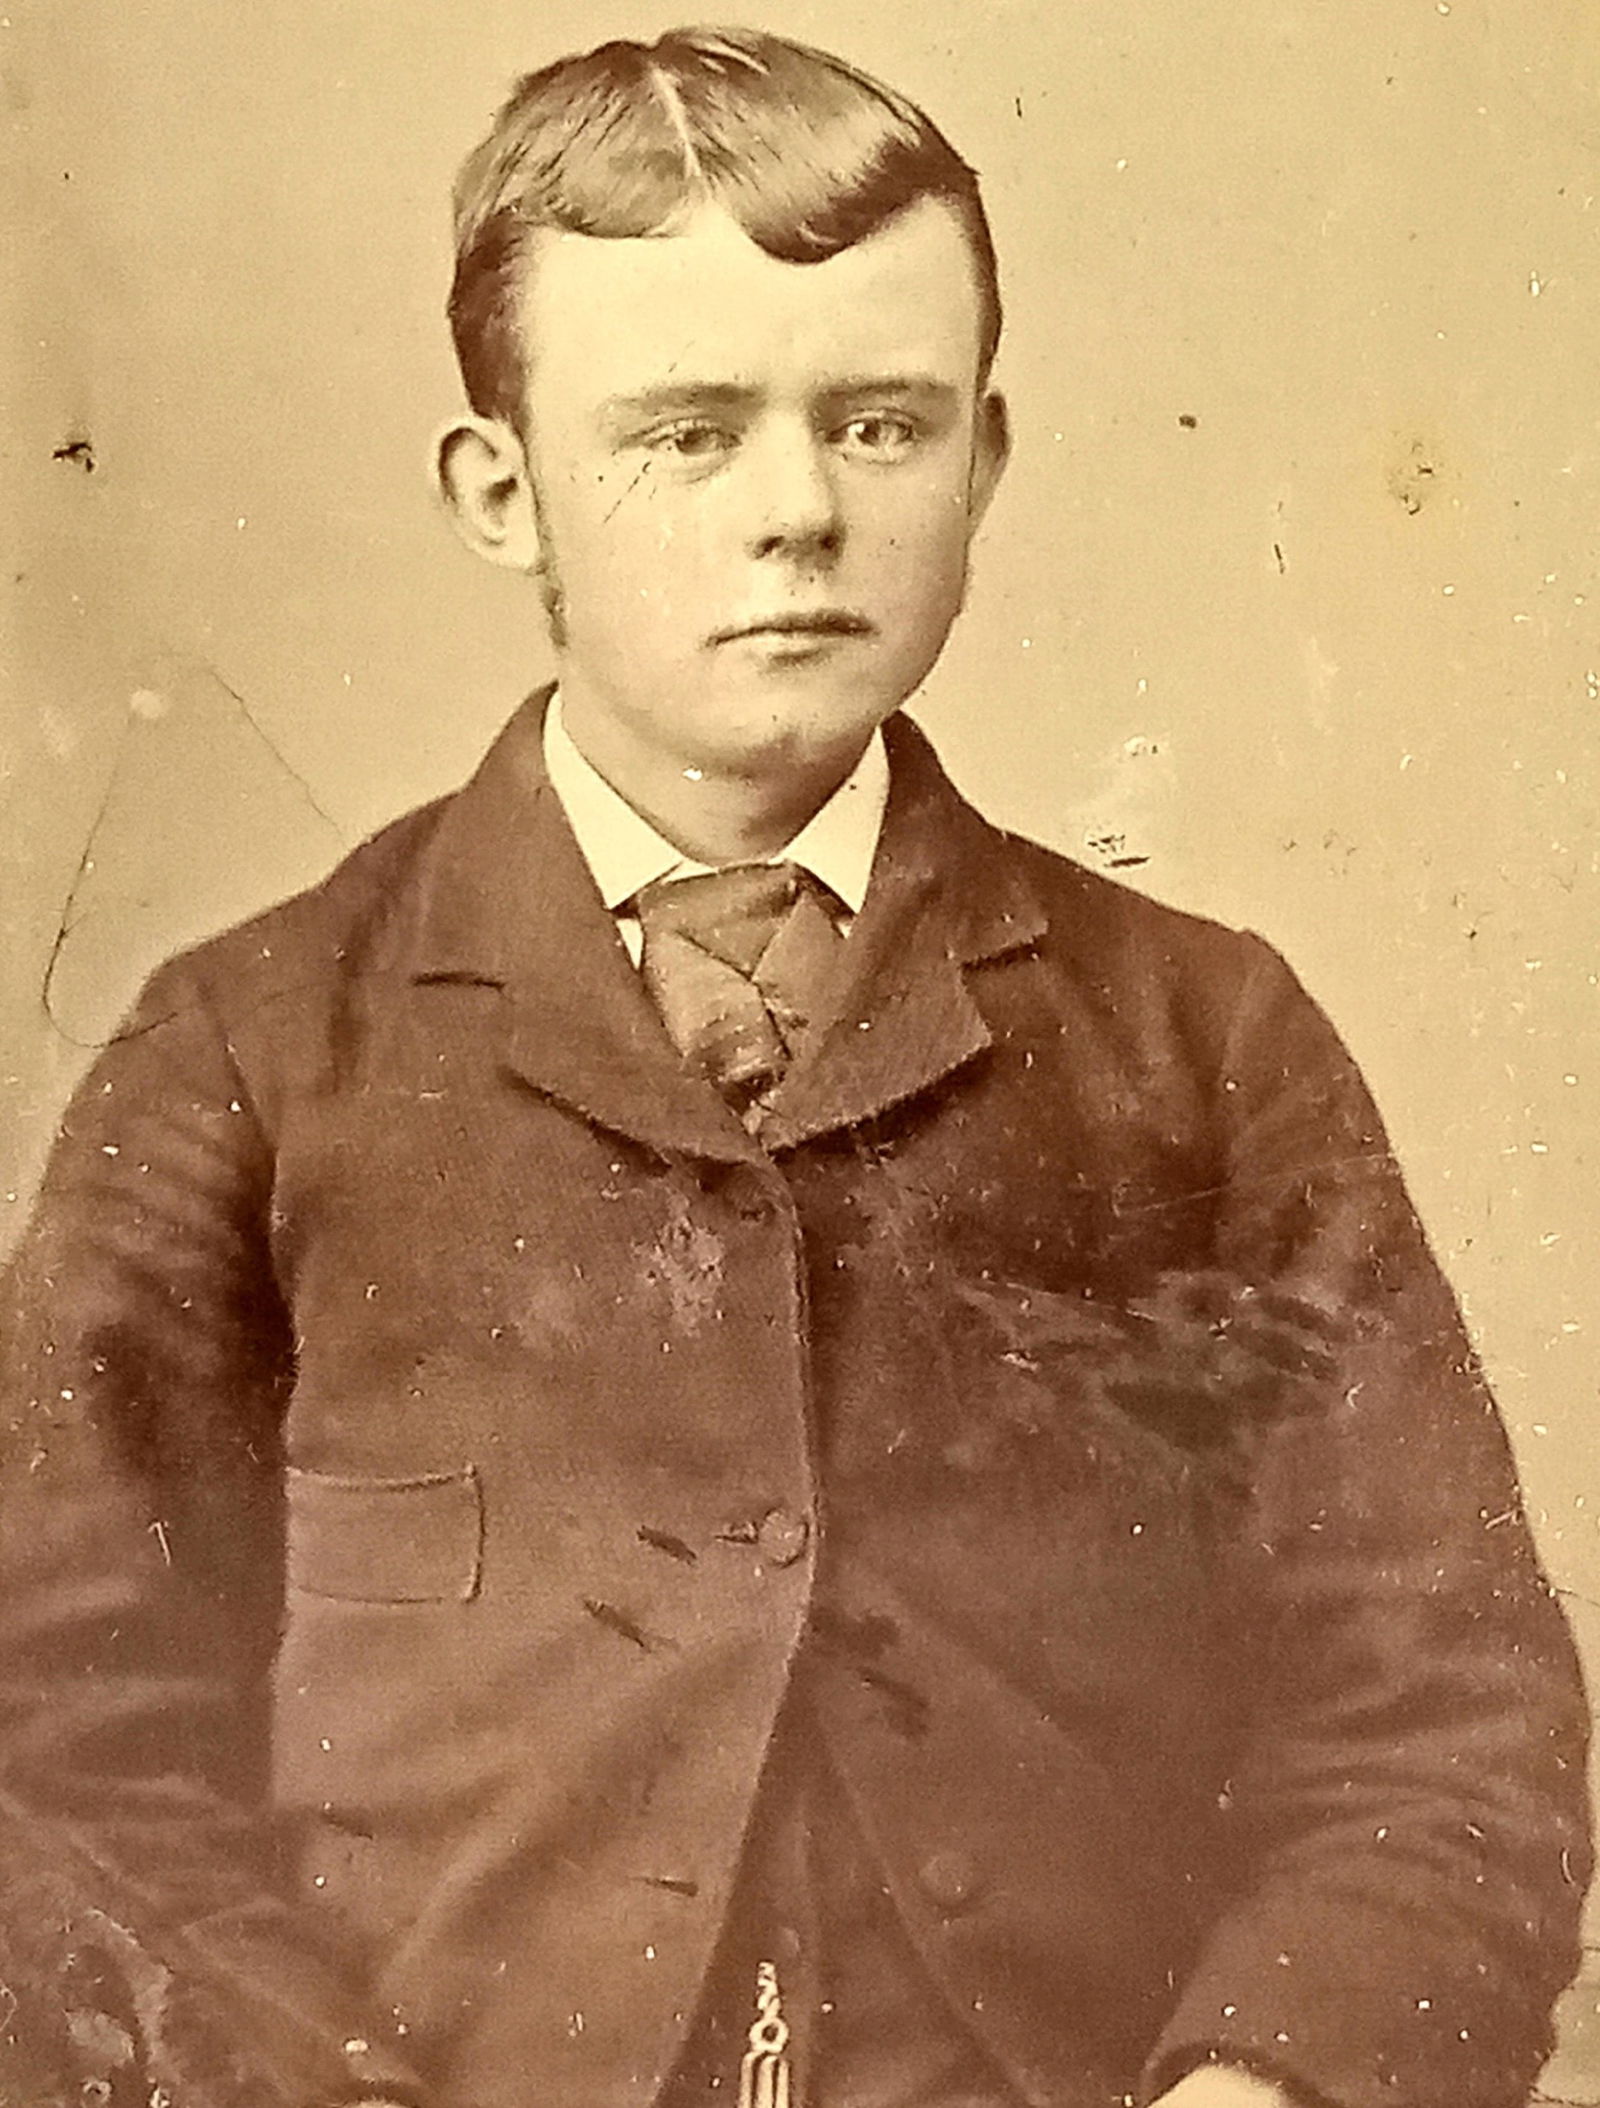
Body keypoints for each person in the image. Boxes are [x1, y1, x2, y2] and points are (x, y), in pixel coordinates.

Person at [0, 25, 1590, 2108]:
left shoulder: (1201, 1042)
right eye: (683, 431)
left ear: (983, 460)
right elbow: (59, 1748)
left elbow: (1445, 1723)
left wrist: (1263, 2085)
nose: (798, 513)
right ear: (502, 489)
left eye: (880, 423)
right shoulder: (248, 1049)